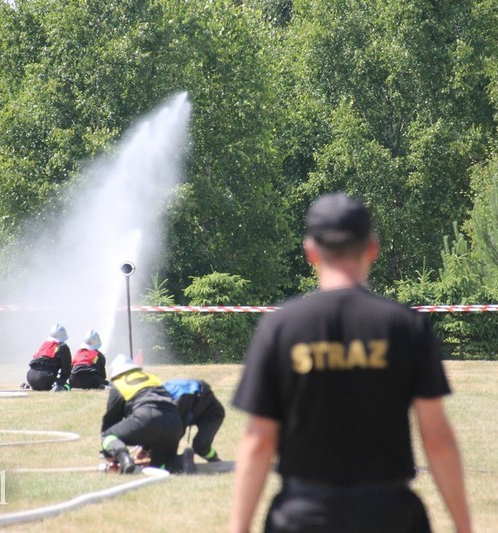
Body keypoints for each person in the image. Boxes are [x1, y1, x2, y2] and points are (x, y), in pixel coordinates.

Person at [230, 193, 471, 533]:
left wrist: (238, 528)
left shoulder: (281, 327)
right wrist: (464, 526)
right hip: (390, 517)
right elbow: (436, 438)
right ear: (372, 247)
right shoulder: (406, 326)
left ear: (310, 252)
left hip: (302, 517)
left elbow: (259, 441)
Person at [100, 354, 189, 474]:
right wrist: (145, 448)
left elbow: (111, 420)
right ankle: (183, 460)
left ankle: (125, 460)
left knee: (107, 436)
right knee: (159, 465)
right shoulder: (153, 378)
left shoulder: (119, 383)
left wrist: (111, 453)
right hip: (174, 422)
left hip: (145, 417)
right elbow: (161, 415)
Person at [163, 379, 225, 462]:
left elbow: (175, 432)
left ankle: (215, 461)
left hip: (211, 413)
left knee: (200, 446)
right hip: (192, 406)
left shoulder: (177, 401)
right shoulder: (158, 395)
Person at [24, 323, 72, 392]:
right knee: (67, 386)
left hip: (30, 377)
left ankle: (30, 386)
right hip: (45, 378)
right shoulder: (63, 347)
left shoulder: (44, 345)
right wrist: (62, 382)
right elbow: (66, 369)